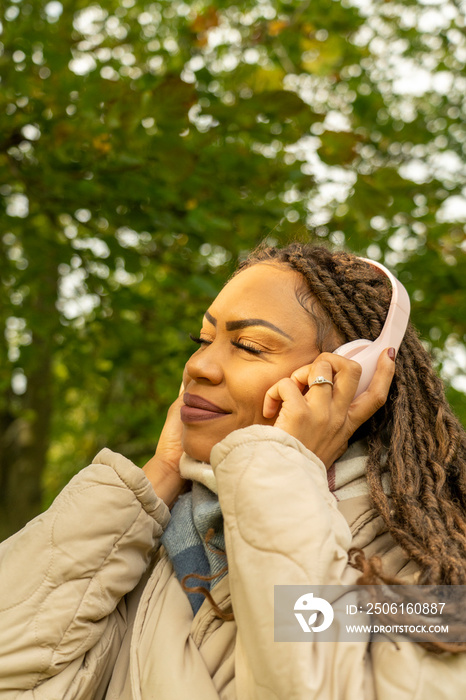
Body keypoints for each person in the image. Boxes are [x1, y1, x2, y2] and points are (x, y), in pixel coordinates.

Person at [0, 243, 465, 699]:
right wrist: (153, 480)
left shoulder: (434, 561)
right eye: (202, 340)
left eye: (248, 345)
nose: (198, 366)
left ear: (353, 375)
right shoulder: (140, 547)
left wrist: (283, 468)